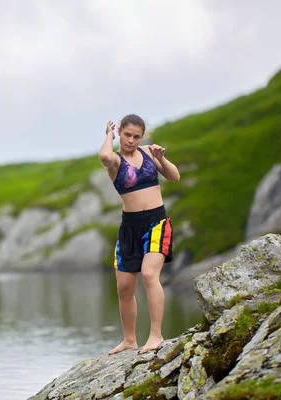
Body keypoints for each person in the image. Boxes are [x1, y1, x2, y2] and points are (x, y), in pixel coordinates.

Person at [98, 114, 180, 355]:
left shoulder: (148, 153)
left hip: (156, 222)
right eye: (126, 135)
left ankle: (156, 335)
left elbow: (174, 177)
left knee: (149, 275)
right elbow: (103, 155)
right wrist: (108, 135)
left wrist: (161, 159)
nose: (131, 141)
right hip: (129, 227)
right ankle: (130, 340)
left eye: (136, 136)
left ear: (141, 137)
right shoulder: (114, 161)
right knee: (124, 288)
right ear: (120, 133)